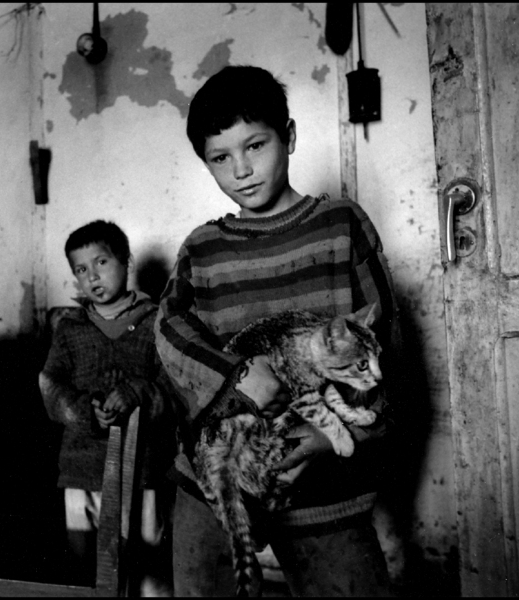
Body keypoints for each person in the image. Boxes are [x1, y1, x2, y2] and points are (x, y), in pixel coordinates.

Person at [154, 65, 403, 596]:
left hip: (324, 480)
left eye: (256, 146)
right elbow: (168, 331)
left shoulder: (340, 225)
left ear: (288, 137)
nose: (241, 170)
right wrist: (235, 375)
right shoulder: (202, 249)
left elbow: (389, 350)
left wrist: (329, 438)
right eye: (220, 158)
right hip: (217, 480)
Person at [39, 220, 176, 597]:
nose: (92, 276)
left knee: (148, 572)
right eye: (81, 270)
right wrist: (85, 411)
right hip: (82, 471)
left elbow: (174, 388)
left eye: (101, 262)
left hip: (143, 473)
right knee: (87, 571)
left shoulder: (156, 322)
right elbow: (50, 386)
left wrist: (138, 392)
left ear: (127, 261)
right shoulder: (70, 328)